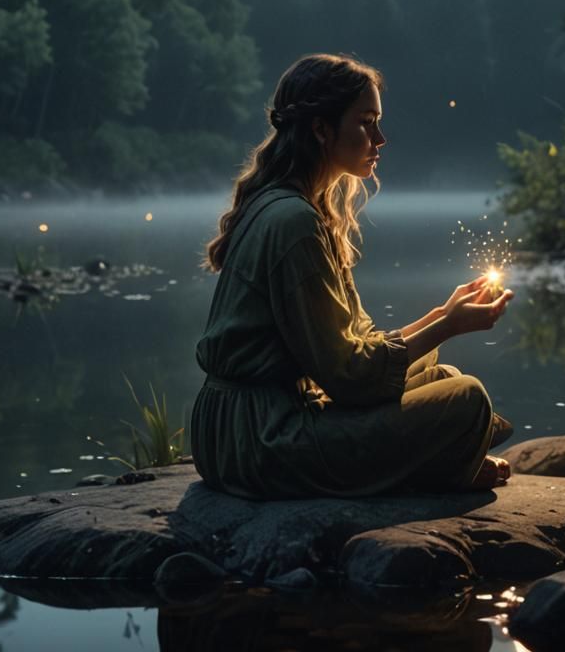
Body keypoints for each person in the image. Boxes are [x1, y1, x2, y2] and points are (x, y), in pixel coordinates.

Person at [191, 53, 514, 499]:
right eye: (366, 122)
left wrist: (443, 313)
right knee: (467, 399)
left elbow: (351, 351)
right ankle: (444, 468)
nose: (380, 138)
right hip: (259, 441)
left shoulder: (293, 207)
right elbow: (348, 377)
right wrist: (449, 325)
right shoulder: (292, 221)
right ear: (321, 129)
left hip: (240, 430)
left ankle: (446, 460)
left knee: (441, 378)